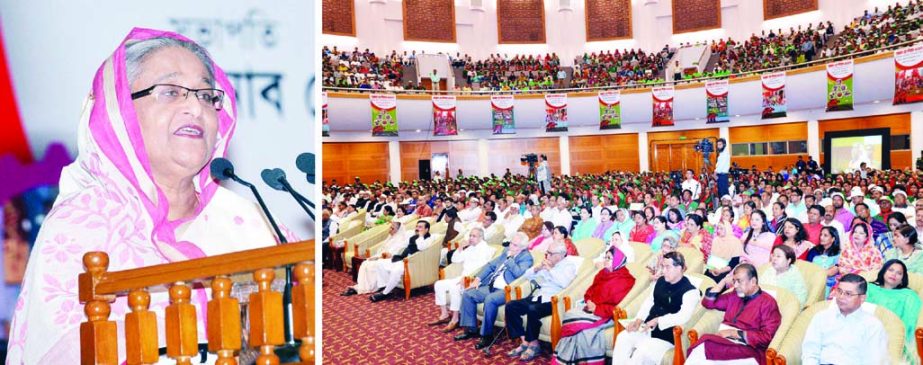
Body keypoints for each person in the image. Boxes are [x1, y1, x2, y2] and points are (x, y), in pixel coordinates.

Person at [7, 29, 288, 363]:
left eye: (206, 95)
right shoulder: (83, 222)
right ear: (120, 112)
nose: (195, 108)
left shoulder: (247, 220)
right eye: (171, 92)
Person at [614, 252, 702, 364]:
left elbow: (684, 316)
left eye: (667, 267)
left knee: (641, 353)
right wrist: (638, 320)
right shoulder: (661, 281)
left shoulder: (690, 291)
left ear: (679, 268)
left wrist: (658, 320)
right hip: (647, 329)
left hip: (667, 337)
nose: (663, 271)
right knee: (623, 338)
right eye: (662, 266)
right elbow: (649, 302)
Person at [686, 264, 782, 365]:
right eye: (734, 281)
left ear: (753, 281)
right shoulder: (734, 295)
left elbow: (767, 337)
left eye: (739, 281)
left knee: (705, 349)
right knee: (699, 350)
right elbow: (708, 303)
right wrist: (723, 281)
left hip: (748, 349)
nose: (735, 285)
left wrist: (734, 333)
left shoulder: (768, 303)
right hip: (723, 341)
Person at [553, 247, 635, 364]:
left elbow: (620, 305)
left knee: (576, 323)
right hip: (591, 309)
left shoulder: (625, 280)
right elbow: (590, 291)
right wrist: (589, 301)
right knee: (571, 316)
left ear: (617, 261)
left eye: (609, 258)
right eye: (605, 257)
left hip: (607, 315)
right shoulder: (603, 273)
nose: (606, 260)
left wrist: (597, 308)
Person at [455, 232, 534, 349]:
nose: (511, 246)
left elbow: (519, 274)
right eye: (511, 243)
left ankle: (487, 335)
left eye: (515, 245)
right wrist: (477, 279)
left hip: (507, 290)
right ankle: (471, 329)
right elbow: (490, 266)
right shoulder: (505, 250)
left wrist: (510, 259)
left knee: (490, 299)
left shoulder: (526, 257)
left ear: (523, 247)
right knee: (468, 294)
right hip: (492, 285)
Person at [505, 242, 578, 361]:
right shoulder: (548, 263)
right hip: (539, 296)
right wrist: (537, 268)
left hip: (554, 300)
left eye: (550, 253)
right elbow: (527, 276)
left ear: (560, 255)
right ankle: (524, 342)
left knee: (532, 309)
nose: (547, 256)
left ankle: (534, 345)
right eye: (547, 253)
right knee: (511, 306)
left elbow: (564, 283)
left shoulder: (568, 265)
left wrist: (550, 269)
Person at [801, 274, 889, 365]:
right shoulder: (822, 317)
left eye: (848, 294)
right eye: (839, 291)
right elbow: (810, 351)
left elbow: (874, 361)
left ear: (862, 298)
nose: (841, 297)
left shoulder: (873, 325)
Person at [430, 227, 495, 331]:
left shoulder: (485, 249)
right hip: (462, 277)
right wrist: (460, 247)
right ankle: (444, 315)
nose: (471, 238)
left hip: (473, 280)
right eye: (470, 235)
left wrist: (468, 278)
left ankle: (455, 319)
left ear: (481, 237)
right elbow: (455, 259)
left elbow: (482, 268)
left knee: (454, 288)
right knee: (438, 284)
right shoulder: (470, 247)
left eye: (474, 236)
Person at [866, 259, 922, 363]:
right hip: (866, 331)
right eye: (890, 270)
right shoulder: (869, 288)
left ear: (902, 279)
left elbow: (910, 322)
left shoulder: (909, 295)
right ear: (883, 272)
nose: (894, 274)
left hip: (893, 336)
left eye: (899, 273)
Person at [371, 220, 436, 302]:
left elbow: (421, 247)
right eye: (416, 226)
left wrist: (421, 236)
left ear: (426, 229)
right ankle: (384, 286)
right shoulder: (413, 237)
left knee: (396, 271)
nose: (417, 228)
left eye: (420, 227)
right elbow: (402, 246)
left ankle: (385, 293)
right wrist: (392, 253)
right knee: (380, 263)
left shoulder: (429, 239)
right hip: (404, 259)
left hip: (414, 262)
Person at [342, 221, 409, 296]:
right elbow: (382, 249)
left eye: (392, 228)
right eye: (390, 227)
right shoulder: (391, 237)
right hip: (381, 257)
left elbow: (391, 254)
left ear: (398, 230)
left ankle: (368, 287)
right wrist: (376, 257)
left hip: (389, 260)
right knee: (365, 263)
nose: (389, 229)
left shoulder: (400, 240)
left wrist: (377, 258)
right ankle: (362, 286)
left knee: (372, 265)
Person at [806, 226, 842, 297]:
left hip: (828, 287)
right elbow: (808, 267)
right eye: (821, 235)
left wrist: (815, 273)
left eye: (825, 235)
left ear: (833, 239)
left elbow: (832, 272)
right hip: (812, 283)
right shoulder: (814, 251)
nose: (821, 237)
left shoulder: (839, 254)